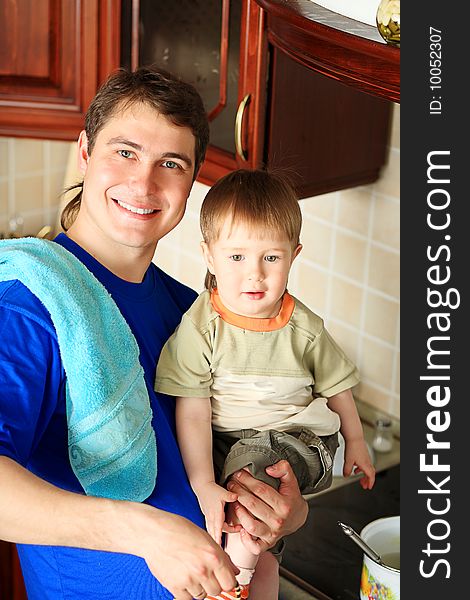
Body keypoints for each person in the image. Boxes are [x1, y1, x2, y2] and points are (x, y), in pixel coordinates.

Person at [0, 68, 309, 600]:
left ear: (191, 184)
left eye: (170, 164)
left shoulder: (194, 314)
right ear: (85, 151)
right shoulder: (31, 304)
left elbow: (230, 452)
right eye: (125, 152)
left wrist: (285, 511)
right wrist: (143, 532)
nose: (144, 184)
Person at [155, 169, 376, 600]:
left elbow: (338, 386)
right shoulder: (201, 328)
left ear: (294, 255)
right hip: (226, 440)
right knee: (245, 525)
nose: (254, 275)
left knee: (245, 478)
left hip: (295, 438)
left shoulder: (304, 327)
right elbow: (194, 410)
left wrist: (357, 442)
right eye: (237, 258)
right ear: (209, 255)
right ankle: (258, 582)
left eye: (270, 258)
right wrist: (202, 483)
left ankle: (230, 585)